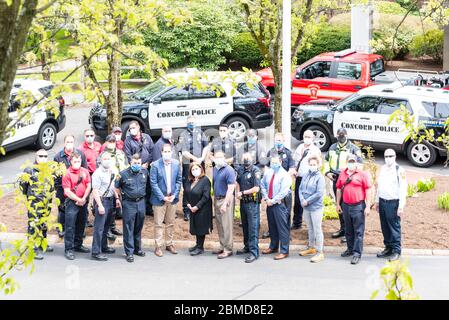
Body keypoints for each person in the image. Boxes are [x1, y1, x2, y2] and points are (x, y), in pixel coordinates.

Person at [325, 128, 362, 242]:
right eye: (339, 135)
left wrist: (350, 175)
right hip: (336, 179)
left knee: (347, 207)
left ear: (346, 135)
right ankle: (343, 229)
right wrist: (327, 173)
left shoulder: (354, 149)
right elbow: (326, 161)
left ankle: (349, 232)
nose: (341, 136)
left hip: (348, 181)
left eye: (343, 134)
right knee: (339, 205)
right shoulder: (332, 147)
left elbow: (360, 164)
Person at [336, 154, 371, 265]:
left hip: (358, 206)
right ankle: (350, 249)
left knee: (358, 231)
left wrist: (368, 206)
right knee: (348, 230)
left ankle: (357, 253)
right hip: (346, 205)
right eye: (349, 161)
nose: (351, 163)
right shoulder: (342, 173)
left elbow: (368, 189)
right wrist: (338, 204)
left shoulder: (362, 174)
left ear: (356, 162)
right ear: (346, 162)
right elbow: (338, 189)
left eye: (353, 161)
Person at [19, 149, 55, 260]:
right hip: (34, 203)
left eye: (45, 156)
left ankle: (41, 243)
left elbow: (52, 185)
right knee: (33, 226)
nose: (43, 158)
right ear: (36, 157)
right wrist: (29, 198)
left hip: (46, 202)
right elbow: (23, 186)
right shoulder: (29, 170)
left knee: (43, 224)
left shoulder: (49, 169)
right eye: (41, 156)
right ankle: (32, 249)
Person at [115, 153, 150, 263]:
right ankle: (129, 252)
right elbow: (116, 187)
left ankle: (137, 249)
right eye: (135, 163)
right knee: (129, 227)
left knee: (138, 227)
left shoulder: (144, 172)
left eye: (139, 163)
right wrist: (119, 198)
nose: (137, 165)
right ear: (130, 163)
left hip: (141, 202)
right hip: (128, 203)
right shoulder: (122, 174)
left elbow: (148, 187)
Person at [150, 144, 182, 257]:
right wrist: (162, 197)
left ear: (171, 152)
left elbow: (179, 181)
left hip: (172, 198)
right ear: (161, 152)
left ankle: (169, 244)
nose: (167, 153)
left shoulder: (176, 164)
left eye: (169, 151)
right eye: (165, 151)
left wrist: (175, 194)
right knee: (158, 224)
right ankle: (158, 246)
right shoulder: (155, 165)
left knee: (170, 223)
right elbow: (153, 183)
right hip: (160, 199)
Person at [376, 149, 407, 262]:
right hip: (382, 201)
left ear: (395, 157)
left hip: (393, 203)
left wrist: (401, 206)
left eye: (390, 156)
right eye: (386, 156)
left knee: (394, 227)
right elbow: (379, 186)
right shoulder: (383, 168)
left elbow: (403, 189)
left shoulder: (400, 170)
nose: (388, 158)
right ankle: (388, 248)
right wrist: (377, 201)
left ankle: (396, 250)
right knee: (384, 226)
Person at [54, 134, 87, 238]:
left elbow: (84, 169)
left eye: (71, 142)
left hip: (77, 187)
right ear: (64, 143)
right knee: (62, 208)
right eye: (67, 142)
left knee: (78, 209)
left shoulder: (80, 154)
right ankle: (61, 228)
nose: (70, 144)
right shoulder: (58, 156)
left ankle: (78, 231)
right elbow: (54, 174)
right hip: (62, 187)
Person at [260, 155, 292, 260]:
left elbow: (284, 192)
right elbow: (262, 184)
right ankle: (273, 247)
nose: (274, 164)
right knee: (272, 227)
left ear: (280, 162)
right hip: (269, 203)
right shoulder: (268, 172)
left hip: (279, 204)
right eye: (272, 162)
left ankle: (284, 251)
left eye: (276, 162)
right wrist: (266, 198)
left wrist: (272, 201)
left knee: (282, 228)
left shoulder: (285, 175)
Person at [62, 151, 91, 260]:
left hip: (83, 202)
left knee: (81, 223)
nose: (77, 163)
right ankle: (68, 249)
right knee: (70, 226)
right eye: (75, 161)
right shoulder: (67, 173)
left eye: (79, 161)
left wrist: (83, 199)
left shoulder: (85, 171)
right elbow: (67, 191)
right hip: (72, 202)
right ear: (71, 162)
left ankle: (78, 245)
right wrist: (79, 199)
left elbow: (89, 185)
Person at [179, 116, 209, 221]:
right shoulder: (183, 135)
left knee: (201, 184)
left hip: (200, 163)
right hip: (188, 163)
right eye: (189, 122)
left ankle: (200, 207)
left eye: (193, 122)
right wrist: (195, 159)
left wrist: (201, 158)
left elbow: (206, 146)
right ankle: (187, 211)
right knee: (188, 186)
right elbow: (184, 151)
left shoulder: (201, 132)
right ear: (186, 123)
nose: (191, 124)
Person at [298, 155, 325, 263]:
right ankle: (311, 247)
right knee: (310, 228)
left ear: (318, 165)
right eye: (311, 164)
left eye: (314, 164)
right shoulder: (305, 174)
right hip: (306, 207)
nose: (312, 166)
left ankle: (320, 252)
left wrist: (307, 201)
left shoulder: (320, 177)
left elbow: (319, 193)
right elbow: (300, 189)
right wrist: (302, 200)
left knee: (317, 230)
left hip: (316, 208)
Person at [292, 130, 321, 230]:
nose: (307, 138)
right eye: (305, 136)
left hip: (310, 179)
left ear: (313, 138)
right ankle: (297, 222)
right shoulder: (300, 147)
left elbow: (318, 164)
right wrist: (294, 170)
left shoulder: (315, 150)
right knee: (297, 200)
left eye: (309, 137)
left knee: (310, 200)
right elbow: (295, 161)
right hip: (299, 177)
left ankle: (312, 224)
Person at [90, 152, 117, 261]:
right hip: (102, 201)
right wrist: (100, 206)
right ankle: (96, 252)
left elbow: (112, 186)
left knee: (106, 226)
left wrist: (117, 199)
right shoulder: (97, 173)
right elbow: (95, 191)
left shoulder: (112, 171)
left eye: (109, 158)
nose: (107, 160)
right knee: (99, 228)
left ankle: (104, 246)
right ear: (100, 160)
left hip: (110, 200)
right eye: (105, 158)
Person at [124, 121, 154, 216]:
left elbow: (151, 151)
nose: (132, 130)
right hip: (135, 168)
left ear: (138, 127)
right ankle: (141, 208)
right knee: (139, 187)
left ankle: (148, 208)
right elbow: (128, 155)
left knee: (148, 187)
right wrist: (138, 165)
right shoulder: (128, 140)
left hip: (147, 167)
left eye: (133, 128)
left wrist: (147, 163)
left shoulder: (146, 137)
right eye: (130, 129)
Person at [100, 134, 128, 238]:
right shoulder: (103, 155)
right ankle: (107, 229)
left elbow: (126, 165)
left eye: (113, 141)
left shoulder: (121, 153)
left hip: (121, 183)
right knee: (109, 208)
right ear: (106, 143)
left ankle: (112, 227)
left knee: (116, 208)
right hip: (109, 184)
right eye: (110, 142)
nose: (112, 143)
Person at [236, 152, 261, 263]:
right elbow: (237, 182)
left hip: (252, 203)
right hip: (243, 203)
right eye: (244, 158)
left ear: (252, 159)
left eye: (248, 158)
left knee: (253, 228)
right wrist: (238, 192)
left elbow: (256, 188)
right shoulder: (240, 169)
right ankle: (247, 247)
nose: (245, 160)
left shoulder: (256, 171)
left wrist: (242, 192)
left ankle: (254, 252)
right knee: (245, 226)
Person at [184, 162, 213, 256]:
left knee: (201, 227)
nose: (195, 171)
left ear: (201, 169)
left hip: (202, 208)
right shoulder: (190, 181)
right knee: (195, 225)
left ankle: (200, 247)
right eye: (193, 169)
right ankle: (197, 244)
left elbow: (206, 196)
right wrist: (188, 205)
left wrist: (197, 206)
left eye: (197, 168)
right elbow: (186, 194)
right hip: (192, 207)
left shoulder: (205, 180)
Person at [212, 151, 236, 259]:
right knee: (220, 224)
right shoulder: (215, 169)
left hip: (225, 200)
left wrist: (225, 203)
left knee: (227, 225)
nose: (219, 159)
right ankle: (222, 245)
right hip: (217, 199)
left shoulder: (229, 170)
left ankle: (228, 249)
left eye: (221, 157)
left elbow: (231, 188)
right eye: (217, 157)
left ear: (224, 158)